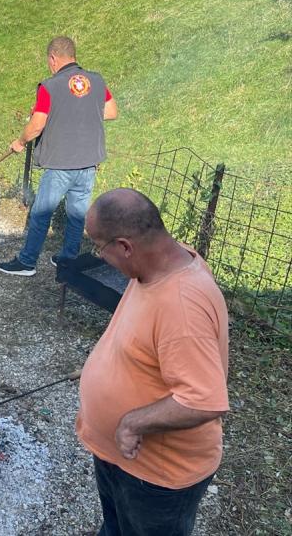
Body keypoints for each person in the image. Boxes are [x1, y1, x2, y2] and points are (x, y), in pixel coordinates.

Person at [77, 188, 229, 535]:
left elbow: (204, 401)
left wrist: (131, 423)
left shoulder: (183, 304)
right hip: (120, 458)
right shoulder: (153, 266)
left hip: (156, 477)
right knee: (115, 527)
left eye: (100, 247)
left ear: (125, 246)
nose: (100, 256)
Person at [0, 36, 117, 276]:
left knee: (41, 213)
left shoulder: (50, 86)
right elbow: (112, 111)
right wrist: (81, 114)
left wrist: (20, 142)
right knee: (76, 215)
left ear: (53, 58)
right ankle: (67, 260)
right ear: (73, 56)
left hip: (62, 164)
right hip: (89, 164)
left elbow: (36, 125)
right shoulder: (96, 80)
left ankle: (27, 262)